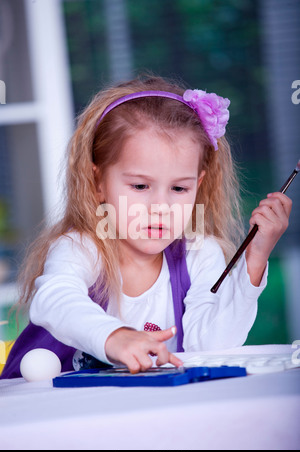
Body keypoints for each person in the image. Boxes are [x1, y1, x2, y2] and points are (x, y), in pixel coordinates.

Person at [1, 75, 292, 378]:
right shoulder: (80, 248)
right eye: (140, 186)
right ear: (97, 182)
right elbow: (54, 299)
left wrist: (256, 257)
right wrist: (113, 336)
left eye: (179, 189)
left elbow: (209, 344)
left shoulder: (198, 253)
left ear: (199, 185)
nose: (161, 208)